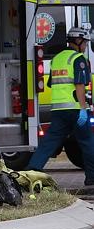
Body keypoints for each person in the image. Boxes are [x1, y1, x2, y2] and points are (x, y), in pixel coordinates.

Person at [27, 27, 94, 185]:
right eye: (84, 43)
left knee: (50, 141)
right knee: (86, 141)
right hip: (76, 110)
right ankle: (92, 178)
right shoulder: (78, 59)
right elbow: (79, 85)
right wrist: (84, 108)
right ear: (78, 41)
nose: (85, 46)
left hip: (58, 110)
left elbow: (51, 83)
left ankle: (32, 170)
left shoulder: (57, 59)